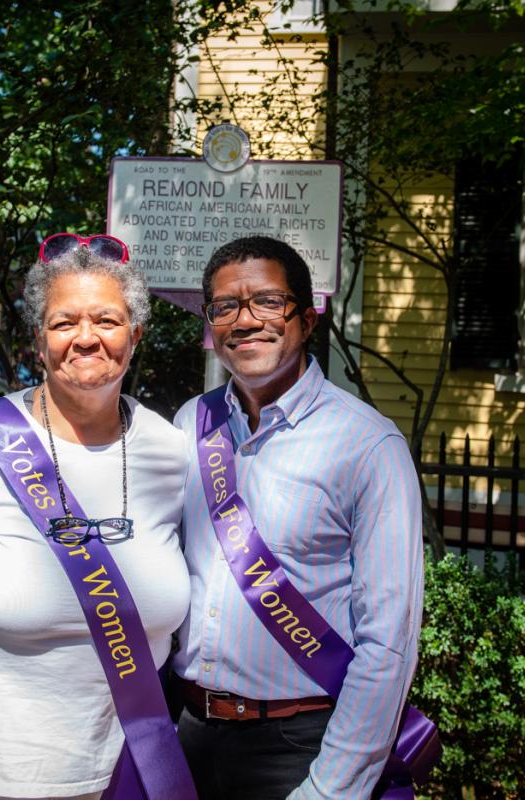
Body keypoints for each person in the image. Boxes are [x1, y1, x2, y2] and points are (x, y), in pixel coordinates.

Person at [0, 233, 192, 800]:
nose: (85, 338)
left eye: (107, 320)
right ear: (38, 341)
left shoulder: (170, 452)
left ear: (136, 335)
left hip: (124, 771)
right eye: (63, 322)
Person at [171, 235, 424, 799]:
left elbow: (389, 641)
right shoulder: (191, 423)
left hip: (299, 748)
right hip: (187, 737)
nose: (245, 320)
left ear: (306, 320)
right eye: (225, 307)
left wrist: (332, 788)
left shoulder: (367, 444)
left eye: (266, 301)